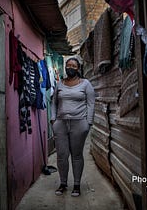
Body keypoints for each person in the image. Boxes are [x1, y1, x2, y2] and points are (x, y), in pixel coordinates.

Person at [50, 57, 95, 197]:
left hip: (79, 123)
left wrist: (88, 123)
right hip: (61, 124)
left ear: (78, 68)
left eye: (73, 66)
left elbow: (91, 103)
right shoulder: (59, 84)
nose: (70, 68)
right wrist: (53, 120)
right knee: (62, 155)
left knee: (76, 155)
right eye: (68, 65)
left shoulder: (86, 84)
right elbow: (54, 103)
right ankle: (63, 183)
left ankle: (76, 185)